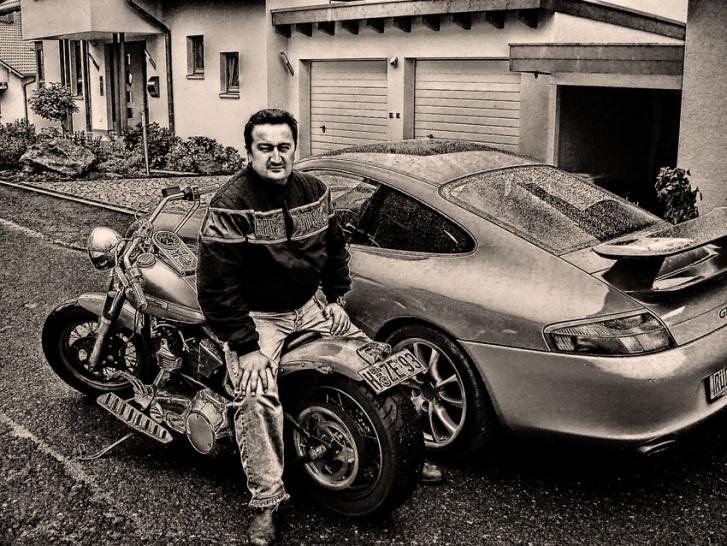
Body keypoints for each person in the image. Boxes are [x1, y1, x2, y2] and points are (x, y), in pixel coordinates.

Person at [196, 108, 442, 546]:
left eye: (284, 147)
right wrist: (246, 346)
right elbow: (217, 286)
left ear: (295, 148)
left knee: (382, 363)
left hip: (310, 306)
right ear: (249, 152)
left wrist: (334, 298)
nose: (276, 156)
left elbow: (335, 247)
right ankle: (266, 499)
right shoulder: (231, 204)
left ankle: (403, 453)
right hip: (260, 317)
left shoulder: (315, 191)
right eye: (265, 148)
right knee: (256, 395)